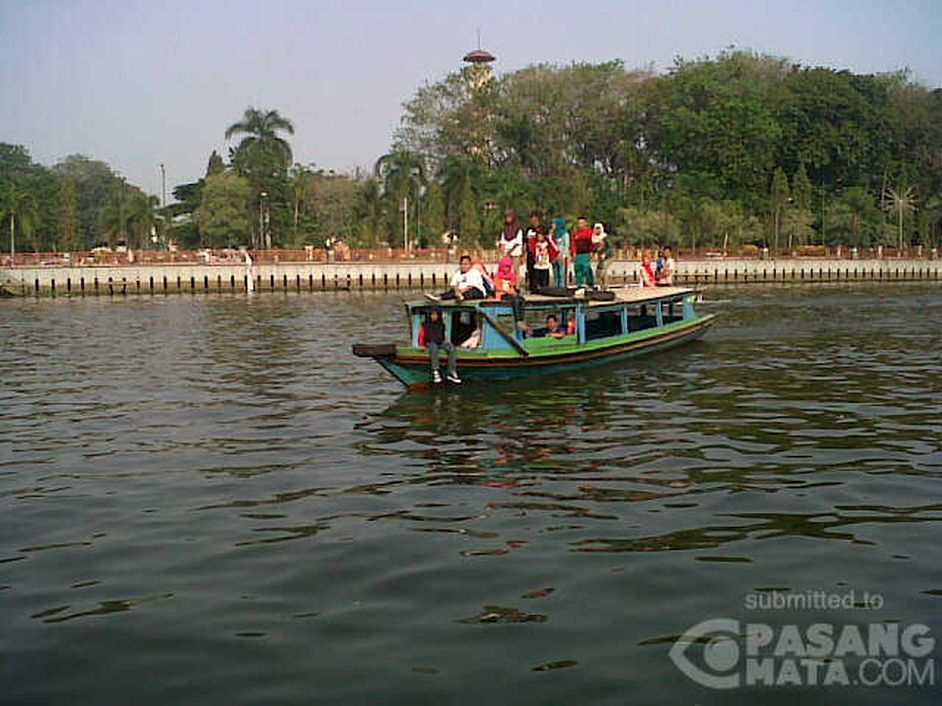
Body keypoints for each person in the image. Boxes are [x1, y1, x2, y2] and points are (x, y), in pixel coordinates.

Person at [423, 309, 461, 384]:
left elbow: (443, 335)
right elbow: (428, 337)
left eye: (435, 315)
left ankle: (451, 371)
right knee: (434, 348)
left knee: (452, 349)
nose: (433, 316)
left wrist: (446, 341)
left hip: (440, 342)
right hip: (430, 342)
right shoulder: (427, 324)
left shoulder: (441, 324)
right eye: (432, 315)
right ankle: (435, 371)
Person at [493, 255, 526, 321]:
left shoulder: (512, 276)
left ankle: (522, 318)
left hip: (510, 293)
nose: (507, 269)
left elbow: (512, 286)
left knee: (521, 299)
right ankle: (518, 320)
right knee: (515, 300)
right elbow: (497, 288)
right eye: (505, 267)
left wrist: (514, 292)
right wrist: (508, 292)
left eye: (508, 267)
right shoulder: (497, 275)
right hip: (502, 294)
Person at [497, 209, 524, 280]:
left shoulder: (518, 229)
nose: (507, 219)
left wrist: (510, 251)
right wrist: (502, 251)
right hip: (506, 253)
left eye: (509, 217)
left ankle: (516, 287)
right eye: (506, 217)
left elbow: (518, 242)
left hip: (515, 253)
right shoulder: (505, 229)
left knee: (515, 271)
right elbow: (502, 241)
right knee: (506, 270)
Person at [525, 210, 546, 292]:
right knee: (530, 270)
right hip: (530, 253)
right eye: (532, 220)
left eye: (535, 220)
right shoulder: (529, 229)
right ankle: (532, 287)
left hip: (538, 253)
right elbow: (525, 241)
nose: (533, 222)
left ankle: (541, 287)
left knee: (539, 271)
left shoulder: (541, 229)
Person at [571, 216, 595, 287]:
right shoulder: (576, 233)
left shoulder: (589, 232)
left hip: (586, 253)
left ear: (585, 223)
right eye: (579, 223)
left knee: (586, 268)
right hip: (578, 254)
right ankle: (579, 284)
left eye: (582, 223)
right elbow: (573, 243)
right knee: (578, 269)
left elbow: (591, 242)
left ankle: (589, 283)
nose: (580, 224)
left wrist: (592, 251)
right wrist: (573, 252)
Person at [550, 217, 570, 287]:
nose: (553, 225)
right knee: (555, 271)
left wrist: (564, 255)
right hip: (554, 255)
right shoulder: (553, 234)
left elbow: (566, 246)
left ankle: (562, 286)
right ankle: (556, 285)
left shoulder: (565, 234)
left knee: (562, 271)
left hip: (562, 255)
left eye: (554, 224)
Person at [592, 222, 610, 289]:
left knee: (604, 269)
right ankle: (600, 286)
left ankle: (605, 285)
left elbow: (610, 248)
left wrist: (605, 253)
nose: (597, 230)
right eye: (596, 229)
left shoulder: (605, 237)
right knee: (598, 271)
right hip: (600, 257)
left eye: (599, 229)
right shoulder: (593, 238)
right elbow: (594, 248)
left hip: (608, 256)